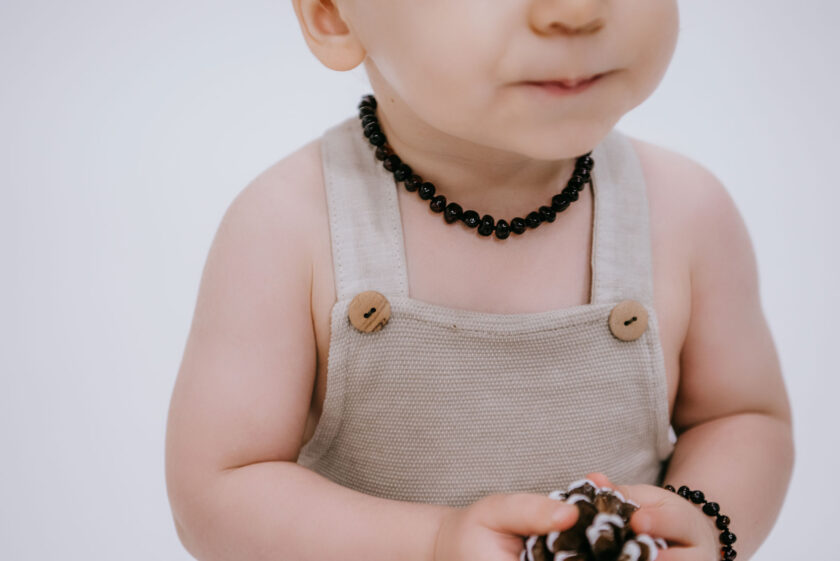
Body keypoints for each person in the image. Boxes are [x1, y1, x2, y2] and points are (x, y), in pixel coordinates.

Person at [164, 1, 794, 560]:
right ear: (333, 14)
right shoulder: (290, 225)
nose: (574, 12)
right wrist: (433, 544)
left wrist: (706, 521)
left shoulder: (684, 211)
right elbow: (219, 491)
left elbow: (741, 417)